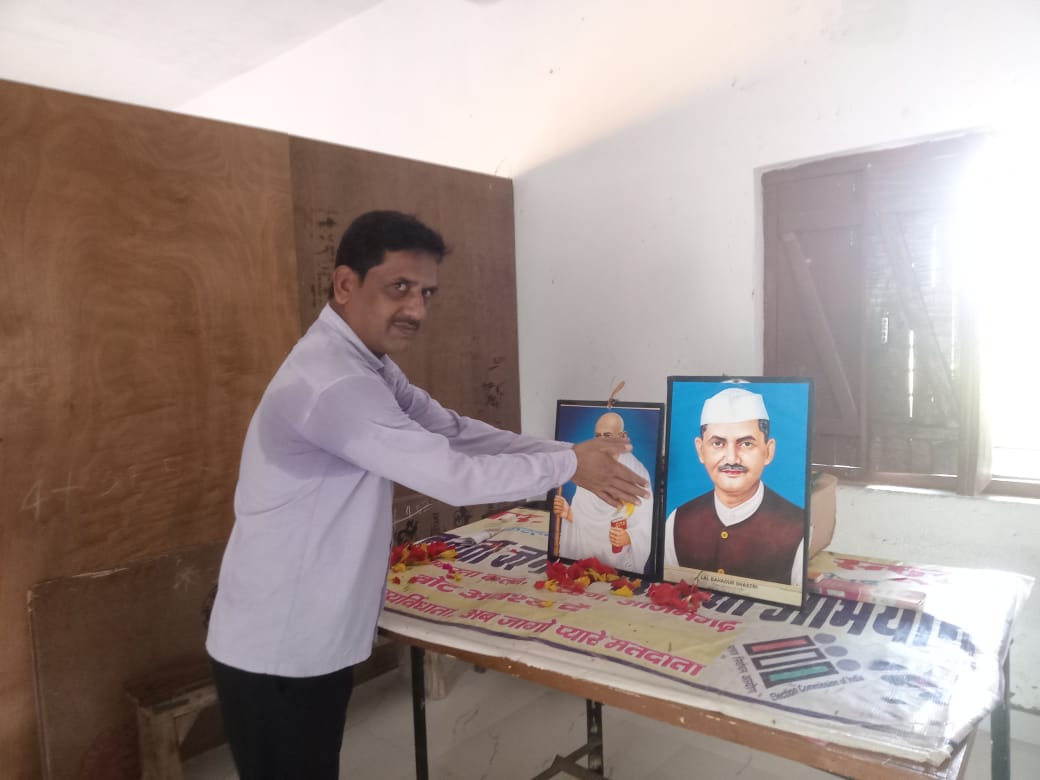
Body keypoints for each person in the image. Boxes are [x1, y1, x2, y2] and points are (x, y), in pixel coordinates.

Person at [205, 210, 648, 780]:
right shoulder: (335, 383)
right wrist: (569, 465)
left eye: (426, 293)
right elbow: (451, 475)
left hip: (309, 634)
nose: (416, 309)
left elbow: (453, 431)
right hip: (278, 647)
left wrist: (568, 450)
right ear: (345, 284)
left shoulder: (368, 365)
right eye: (399, 287)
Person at [663, 386, 805, 585]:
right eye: (718, 443)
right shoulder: (678, 520)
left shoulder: (799, 528)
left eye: (746, 444)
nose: (731, 458)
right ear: (701, 450)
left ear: (768, 451)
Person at [553, 411, 654, 573]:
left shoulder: (637, 474)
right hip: (586, 558)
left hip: (619, 561)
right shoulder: (587, 468)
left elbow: (646, 521)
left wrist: (629, 537)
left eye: (607, 436)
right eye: (597, 436)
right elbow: (586, 519)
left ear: (622, 436)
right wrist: (569, 514)